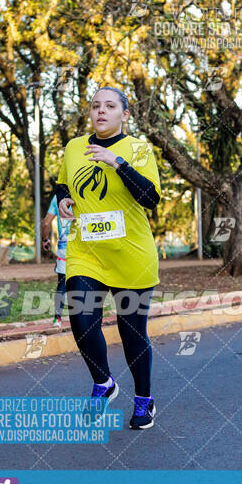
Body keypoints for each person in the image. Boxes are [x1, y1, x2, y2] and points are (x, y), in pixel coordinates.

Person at [56, 86, 161, 430]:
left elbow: (150, 197)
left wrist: (116, 162)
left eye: (110, 106)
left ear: (124, 114)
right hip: (86, 252)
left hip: (132, 255)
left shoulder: (139, 149)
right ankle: (104, 383)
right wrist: (64, 200)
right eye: (96, 106)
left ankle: (144, 400)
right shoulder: (74, 148)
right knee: (82, 321)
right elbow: (62, 184)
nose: (101, 111)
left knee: (133, 334)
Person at [42, 194, 73, 328]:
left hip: (65, 246)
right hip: (86, 246)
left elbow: (46, 222)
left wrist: (45, 239)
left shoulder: (57, 197)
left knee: (62, 283)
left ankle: (57, 319)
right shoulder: (87, 191)